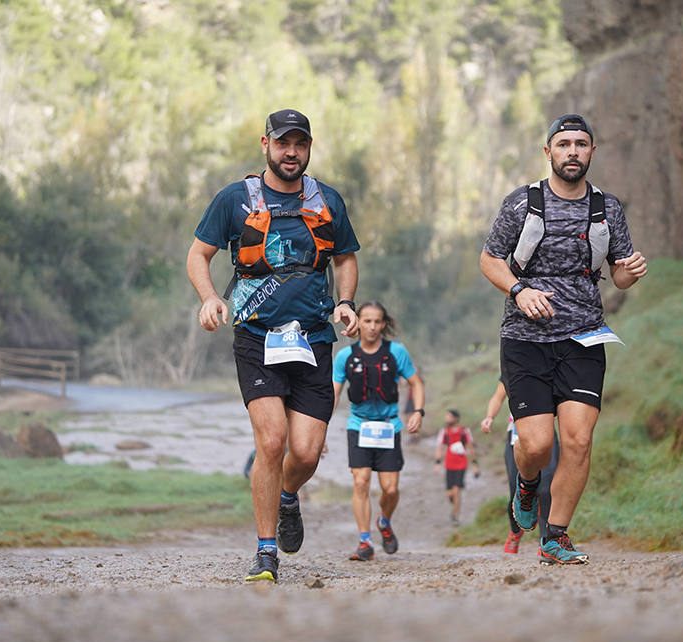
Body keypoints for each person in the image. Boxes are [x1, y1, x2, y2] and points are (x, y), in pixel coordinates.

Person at [186, 109, 360, 583]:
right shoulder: (235, 200)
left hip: (314, 340)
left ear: (309, 147)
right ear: (265, 144)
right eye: (283, 143)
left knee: (304, 454)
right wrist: (209, 298)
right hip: (257, 337)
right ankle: (266, 552)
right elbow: (198, 254)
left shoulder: (327, 200)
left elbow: (344, 257)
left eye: (300, 144)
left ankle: (287, 496)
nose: (291, 152)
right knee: (271, 440)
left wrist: (346, 302)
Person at [479, 113, 648, 565]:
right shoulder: (522, 203)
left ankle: (555, 536)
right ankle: (528, 486)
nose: (572, 151)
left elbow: (617, 272)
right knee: (536, 445)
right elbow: (490, 259)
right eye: (563, 143)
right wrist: (520, 289)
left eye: (581, 144)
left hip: (585, 337)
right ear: (548, 152)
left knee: (577, 440)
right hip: (525, 338)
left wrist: (627, 275)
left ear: (592, 151)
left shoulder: (607, 208)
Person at [332, 301, 425, 561]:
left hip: (389, 426)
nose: (372, 327)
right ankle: (364, 542)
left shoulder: (396, 352)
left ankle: (384, 521)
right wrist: (321, 431)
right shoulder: (345, 357)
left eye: (377, 322)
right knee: (360, 481)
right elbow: (334, 395)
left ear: (384, 324)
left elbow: (415, 383)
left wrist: (418, 412)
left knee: (391, 489)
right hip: (358, 425)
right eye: (367, 321)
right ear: (358, 322)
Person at [481, 379, 559, 553]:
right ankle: (515, 532)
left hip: (545, 432)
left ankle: (547, 539)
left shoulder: (552, 364)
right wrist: (489, 417)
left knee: (547, 489)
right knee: (517, 489)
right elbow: (497, 397)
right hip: (516, 436)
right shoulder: (513, 368)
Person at [434, 409, 480, 524]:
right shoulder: (444, 432)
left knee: (456, 490)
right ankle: (454, 505)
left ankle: (455, 515)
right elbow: (440, 447)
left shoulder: (464, 431)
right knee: (449, 493)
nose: (446, 418)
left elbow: (470, 448)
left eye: (449, 416)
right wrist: (437, 462)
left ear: (455, 418)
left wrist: (474, 465)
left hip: (461, 464)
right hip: (449, 464)